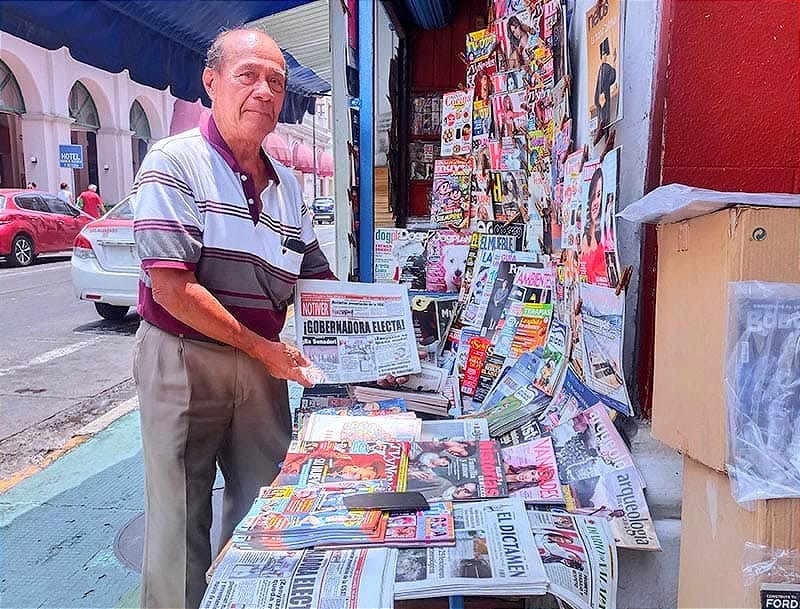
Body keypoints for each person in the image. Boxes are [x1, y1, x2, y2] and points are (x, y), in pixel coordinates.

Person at [131, 29, 337, 609]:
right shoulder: (174, 162)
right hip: (183, 358)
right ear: (212, 81)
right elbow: (172, 287)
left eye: (276, 81)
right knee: (179, 515)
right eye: (248, 74)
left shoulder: (288, 184)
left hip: (262, 362)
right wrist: (262, 347)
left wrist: (382, 331)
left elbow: (316, 277)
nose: (264, 91)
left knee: (266, 505)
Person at [580, 167, 609, 284]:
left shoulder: (606, 238)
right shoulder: (583, 239)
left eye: (599, 195)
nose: (596, 202)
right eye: (594, 196)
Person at [594, 38, 618, 130]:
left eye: (605, 54)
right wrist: (598, 96)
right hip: (602, 96)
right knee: (603, 116)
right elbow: (599, 85)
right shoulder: (601, 68)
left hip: (605, 95)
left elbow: (612, 78)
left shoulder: (606, 67)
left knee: (606, 116)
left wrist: (615, 61)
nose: (604, 56)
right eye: (603, 54)